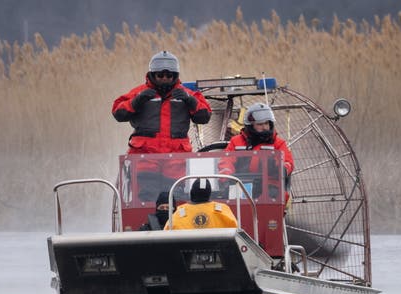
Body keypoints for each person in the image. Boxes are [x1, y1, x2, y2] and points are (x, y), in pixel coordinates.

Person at [112, 51, 212, 200]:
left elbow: (204, 116)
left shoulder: (186, 94)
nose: (164, 79)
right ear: (152, 75)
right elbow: (118, 112)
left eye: (169, 75)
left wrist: (189, 100)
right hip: (144, 159)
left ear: (175, 76)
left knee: (177, 200)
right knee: (145, 200)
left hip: (176, 160)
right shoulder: (139, 93)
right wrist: (137, 101)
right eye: (160, 75)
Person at [218, 103, 294, 199]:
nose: (265, 127)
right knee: (226, 198)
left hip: (269, 187)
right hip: (241, 184)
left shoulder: (278, 143)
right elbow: (226, 161)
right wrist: (227, 178)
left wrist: (280, 168)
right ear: (250, 125)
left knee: (273, 197)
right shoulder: (236, 142)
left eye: (267, 123)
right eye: (260, 124)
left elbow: (288, 162)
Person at [164, 178, 238, 230]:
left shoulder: (179, 213)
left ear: (191, 193)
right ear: (209, 194)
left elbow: (167, 235)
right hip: (219, 251)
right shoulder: (223, 210)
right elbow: (236, 231)